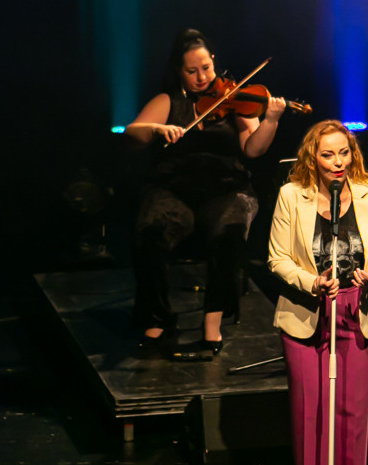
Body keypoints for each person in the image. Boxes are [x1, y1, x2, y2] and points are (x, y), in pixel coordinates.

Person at [267, 120, 368, 465]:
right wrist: (311, 282)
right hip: (308, 314)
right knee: (310, 422)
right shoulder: (292, 195)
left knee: (351, 420)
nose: (338, 162)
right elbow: (277, 258)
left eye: (344, 153)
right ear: (313, 157)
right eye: (328, 154)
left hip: (355, 312)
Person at [122, 29, 287, 352]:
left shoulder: (234, 99)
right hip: (173, 189)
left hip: (226, 188)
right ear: (178, 71)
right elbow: (131, 134)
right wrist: (157, 128)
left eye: (206, 68)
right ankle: (157, 320)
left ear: (214, 62)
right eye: (191, 71)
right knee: (150, 232)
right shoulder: (168, 101)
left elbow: (252, 150)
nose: (201, 78)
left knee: (230, 231)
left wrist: (271, 120)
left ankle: (212, 322)